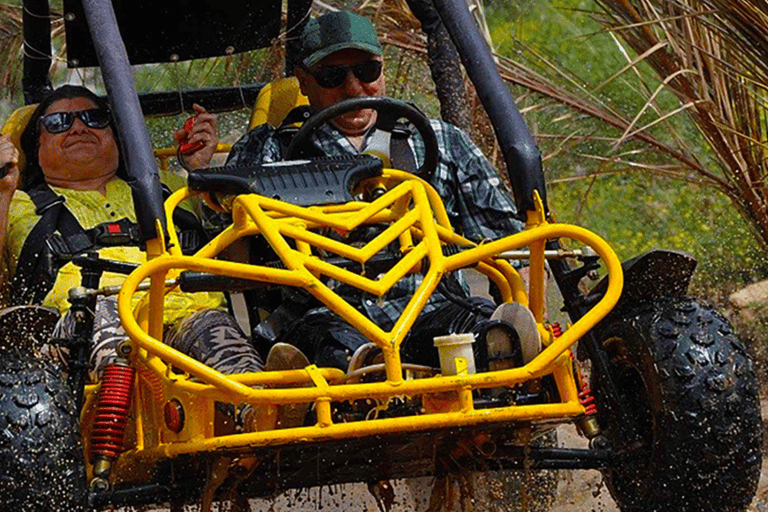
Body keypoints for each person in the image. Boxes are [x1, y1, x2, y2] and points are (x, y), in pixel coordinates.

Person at [221, 11, 526, 371]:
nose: (353, 88)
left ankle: (502, 371)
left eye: (366, 72)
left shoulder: (438, 141)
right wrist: (201, 173)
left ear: (383, 68)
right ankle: (359, 381)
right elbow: (228, 248)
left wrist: (525, 311)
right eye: (333, 76)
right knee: (337, 356)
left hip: (434, 308)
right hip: (328, 317)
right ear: (303, 81)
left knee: (488, 337)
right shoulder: (271, 150)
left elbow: (512, 246)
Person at [0, 84, 265, 383]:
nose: (77, 128)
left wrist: (201, 173)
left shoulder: (169, 189)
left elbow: (243, 267)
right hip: (81, 329)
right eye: (58, 123)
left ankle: (265, 410)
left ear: (115, 136)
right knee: (101, 321)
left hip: (184, 313)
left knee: (217, 331)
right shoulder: (15, 202)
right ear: (37, 148)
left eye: (93, 118)